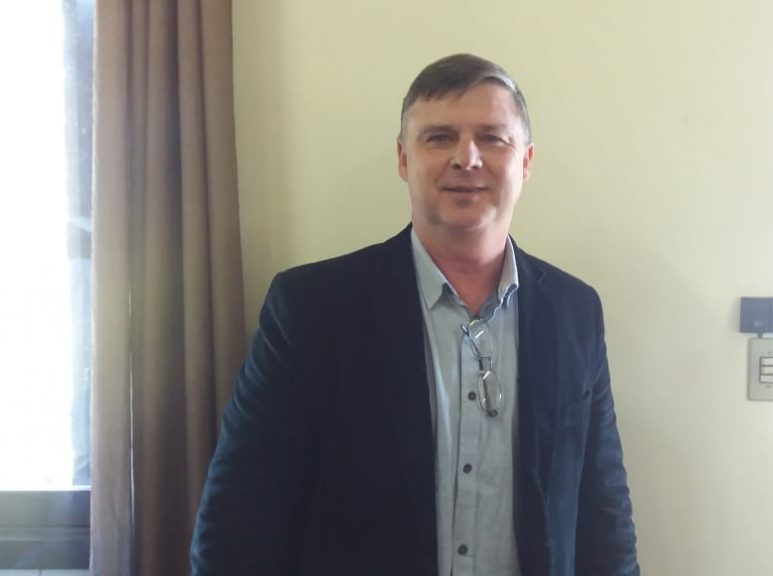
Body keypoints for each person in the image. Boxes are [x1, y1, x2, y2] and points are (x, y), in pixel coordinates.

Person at [191, 53, 639, 575]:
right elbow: (236, 524)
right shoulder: (312, 311)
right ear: (404, 159)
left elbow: (604, 515)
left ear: (526, 161)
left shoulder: (575, 312)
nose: (467, 157)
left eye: (492, 138)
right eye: (440, 137)